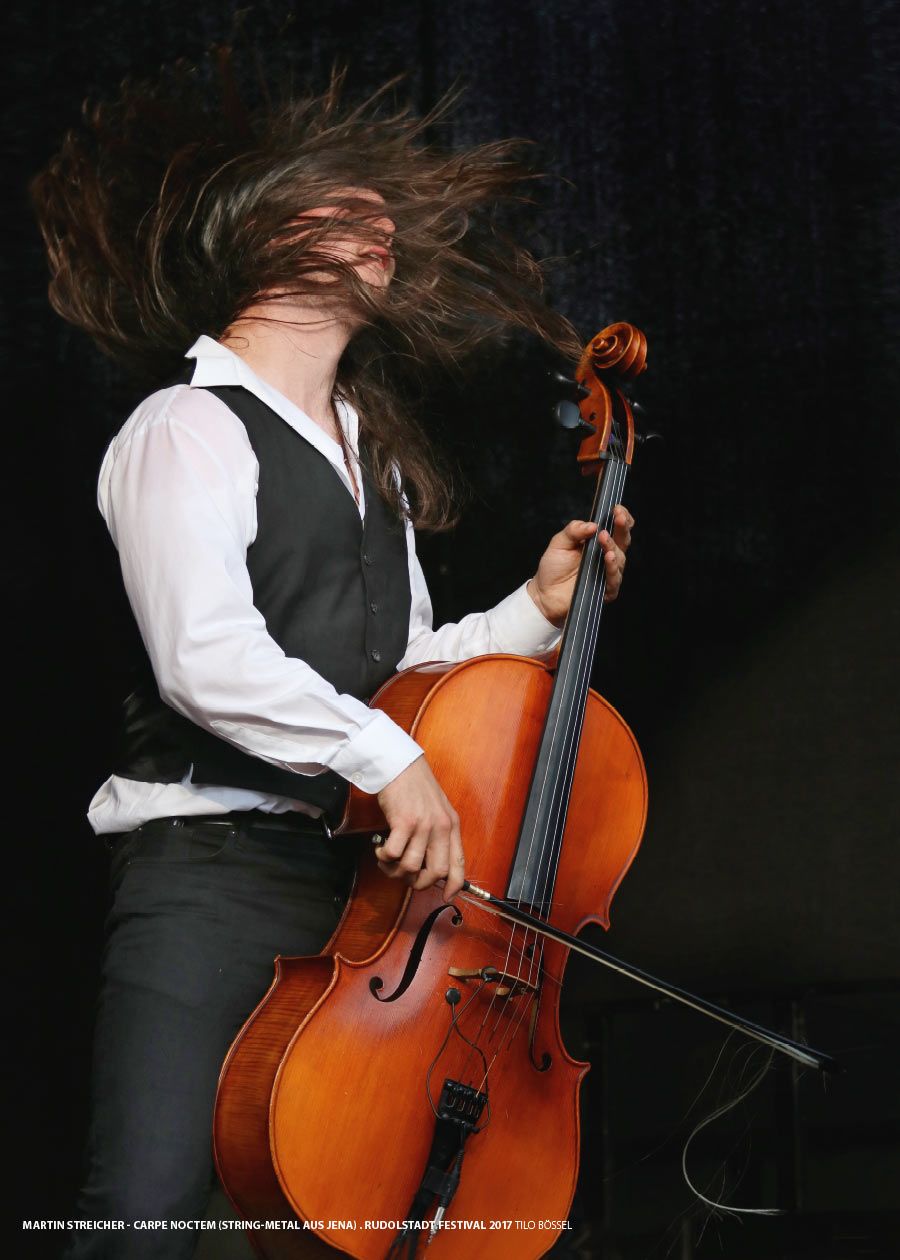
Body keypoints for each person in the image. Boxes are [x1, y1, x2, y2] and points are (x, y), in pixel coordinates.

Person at [32, 62, 632, 1259]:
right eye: (338, 208)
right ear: (263, 242)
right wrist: (385, 753)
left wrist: (532, 607)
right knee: (141, 1225)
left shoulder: (374, 461)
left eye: (377, 211)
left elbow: (401, 671)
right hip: (209, 878)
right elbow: (206, 654)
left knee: (320, 1228)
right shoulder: (184, 428)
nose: (379, 226)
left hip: (356, 896)